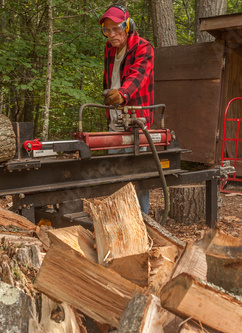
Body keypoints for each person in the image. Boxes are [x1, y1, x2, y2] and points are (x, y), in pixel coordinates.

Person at [99, 4, 155, 215]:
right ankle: (118, 222)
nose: (112, 34)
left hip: (137, 123)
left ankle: (142, 221)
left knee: (139, 177)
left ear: (128, 26)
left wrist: (122, 94)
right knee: (114, 177)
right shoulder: (109, 49)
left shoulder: (143, 47)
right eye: (107, 30)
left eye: (116, 29)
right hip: (115, 123)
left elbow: (138, 76)